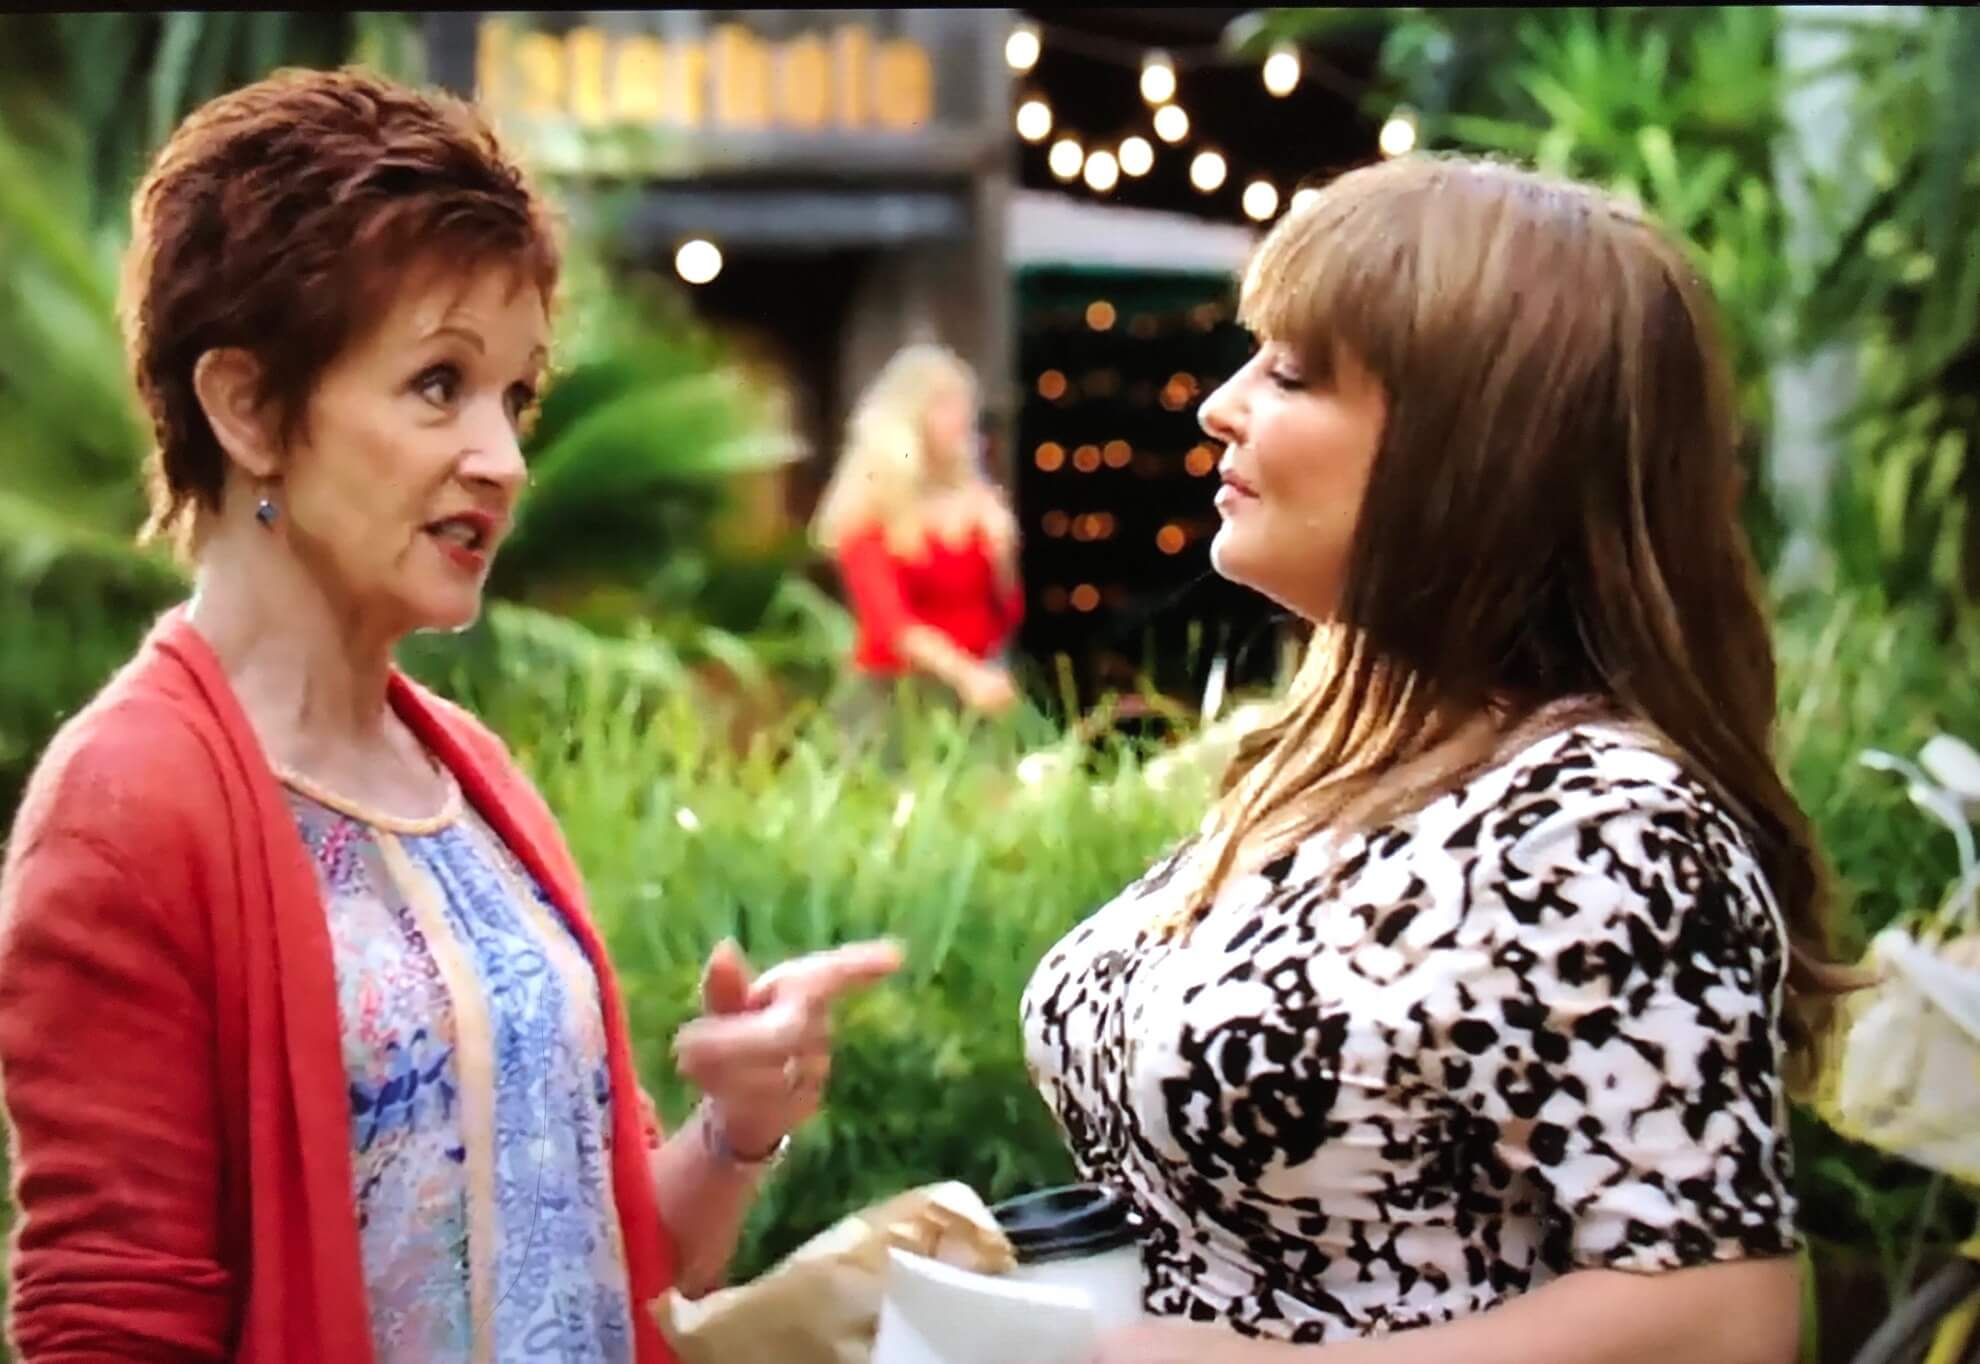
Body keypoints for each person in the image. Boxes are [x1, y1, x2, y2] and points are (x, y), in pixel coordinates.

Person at [0, 68, 899, 1364]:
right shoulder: (129, 807)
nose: (505, 459)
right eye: (438, 383)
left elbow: (614, 1257)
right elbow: (112, 1324)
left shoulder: (466, 773)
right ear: (246, 406)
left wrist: (737, 1127)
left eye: (515, 397)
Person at [1020, 154, 1848, 1364]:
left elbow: (1718, 1318)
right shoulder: (1328, 761)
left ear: (1475, 451)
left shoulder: (1605, 820)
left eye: (1292, 374)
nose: (1221, 405)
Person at [812, 343, 1025, 717]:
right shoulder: (869, 508)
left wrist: (1003, 556)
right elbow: (891, 626)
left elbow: (1005, 617)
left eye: (964, 406)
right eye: (944, 406)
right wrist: (966, 675)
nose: (961, 419)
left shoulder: (978, 503)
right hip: (894, 700)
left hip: (975, 698)